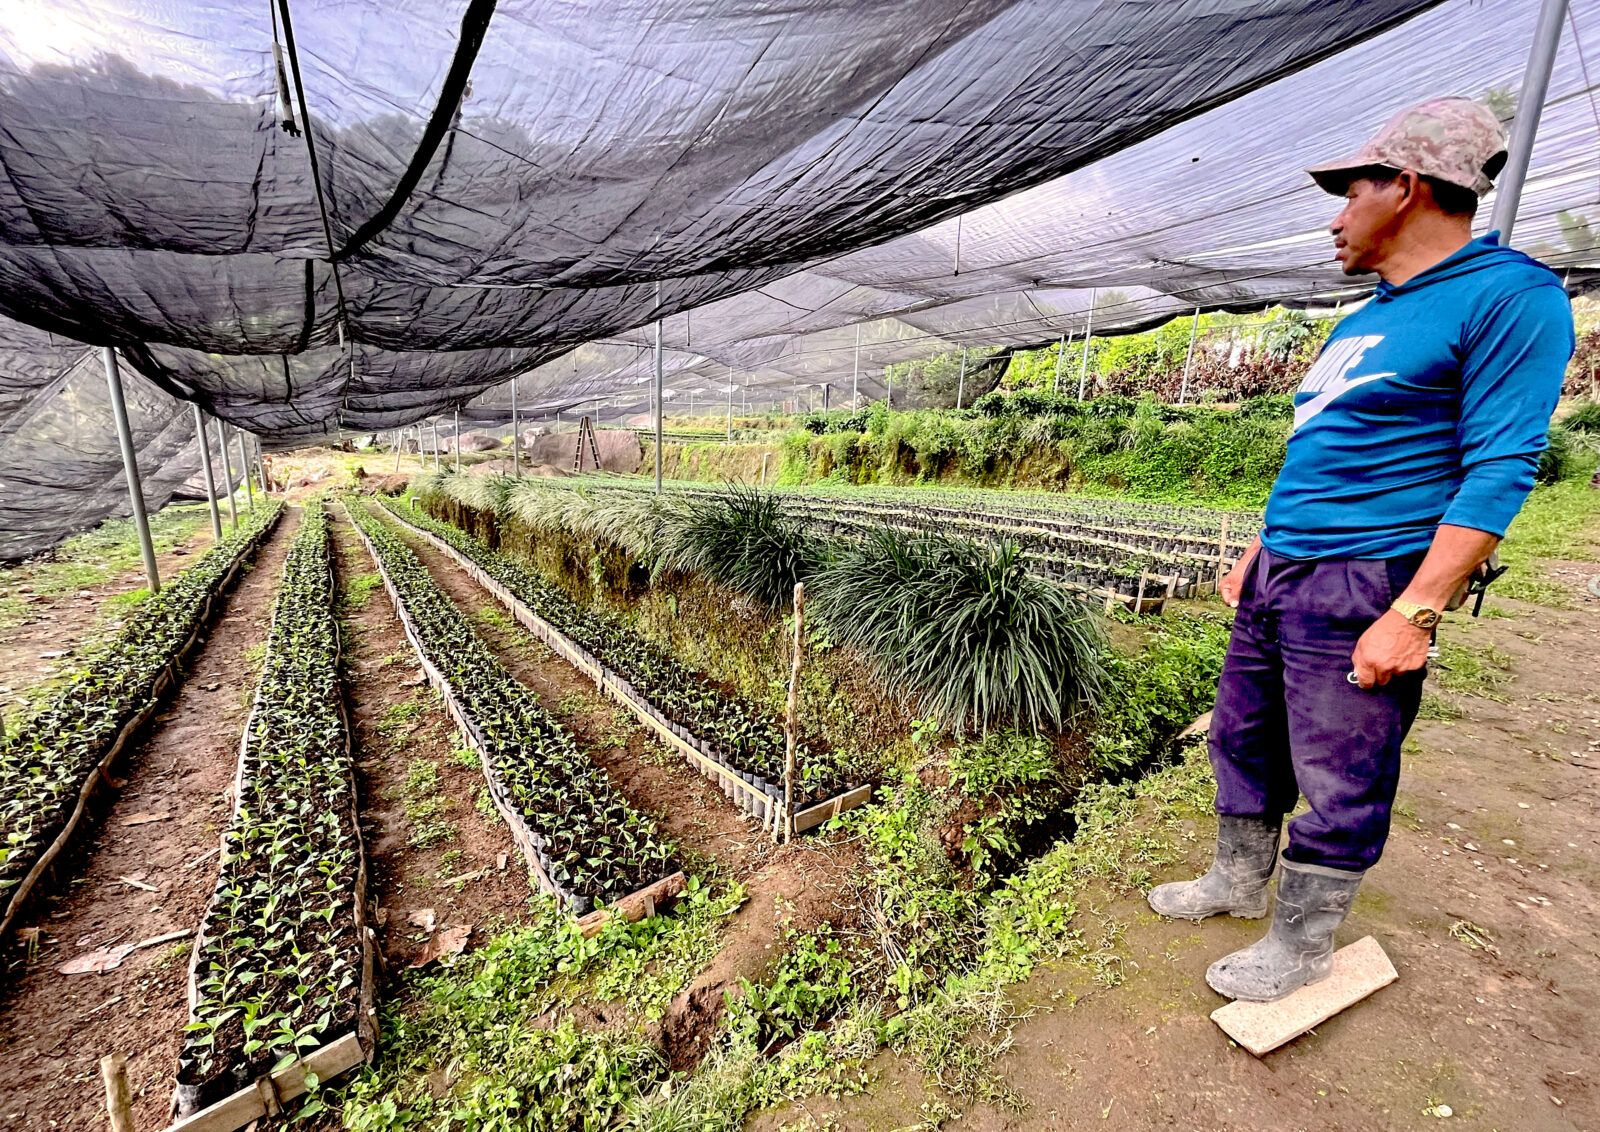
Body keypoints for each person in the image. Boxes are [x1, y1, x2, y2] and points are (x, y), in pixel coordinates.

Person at [1147, 97, 1575, 1002]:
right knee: (1242, 735)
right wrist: (1260, 549)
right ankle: (1235, 879)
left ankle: (1301, 943)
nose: (1336, 217)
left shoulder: (1509, 298)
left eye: (1351, 194)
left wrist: (1415, 611)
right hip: (1281, 571)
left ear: (1407, 188)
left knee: (1342, 766)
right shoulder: (1366, 319)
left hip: (1363, 577)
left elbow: (1501, 466)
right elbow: (1319, 451)